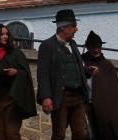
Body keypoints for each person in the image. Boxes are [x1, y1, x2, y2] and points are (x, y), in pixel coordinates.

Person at [37, 9, 98, 140]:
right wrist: (46, 97)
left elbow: (77, 66)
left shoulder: (73, 44)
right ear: (63, 27)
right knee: (59, 134)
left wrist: (87, 71)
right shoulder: (47, 46)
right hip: (61, 96)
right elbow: (43, 74)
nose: (76, 29)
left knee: (81, 134)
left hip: (77, 96)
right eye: (74, 26)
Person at [0, 23, 37, 140]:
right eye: (2, 34)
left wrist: (16, 73)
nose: (5, 37)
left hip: (13, 100)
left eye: (6, 34)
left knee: (11, 134)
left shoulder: (16, 54)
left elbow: (25, 74)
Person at [81, 31, 118, 140]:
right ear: (88, 48)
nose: (96, 50)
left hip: (108, 107)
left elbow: (114, 89)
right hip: (87, 104)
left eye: (98, 47)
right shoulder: (82, 62)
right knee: (90, 133)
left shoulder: (107, 65)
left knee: (111, 130)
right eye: (93, 47)